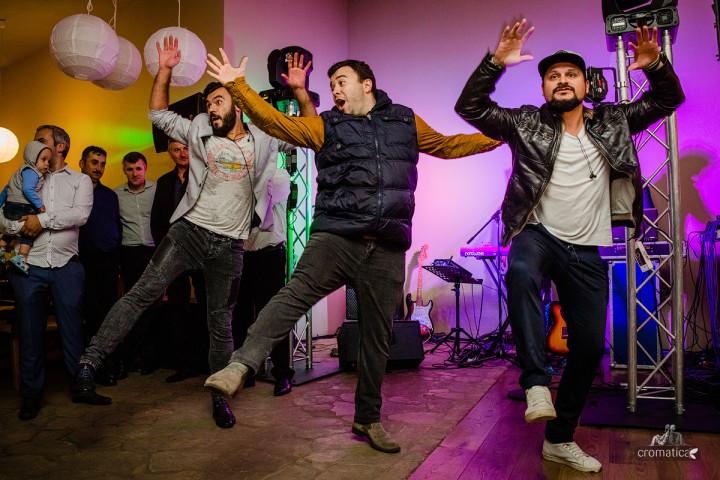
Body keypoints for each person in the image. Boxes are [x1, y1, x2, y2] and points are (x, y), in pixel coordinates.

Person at [203, 49, 500, 453]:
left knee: (378, 337)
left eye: (341, 82)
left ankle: (368, 418)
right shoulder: (328, 125)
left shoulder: (405, 121)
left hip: (388, 246)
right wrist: (237, 86)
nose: (335, 91)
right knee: (291, 297)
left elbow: (448, 145)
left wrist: (500, 138)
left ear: (367, 84)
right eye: (331, 86)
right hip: (337, 237)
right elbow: (276, 122)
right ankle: (240, 364)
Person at [453, 20, 684, 472]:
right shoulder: (525, 123)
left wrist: (655, 65)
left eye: (570, 74)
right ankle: (536, 383)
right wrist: (495, 62)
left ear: (584, 83)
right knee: (521, 271)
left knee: (589, 349)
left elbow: (667, 99)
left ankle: (559, 439)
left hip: (588, 248)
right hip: (537, 233)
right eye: (553, 76)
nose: (562, 80)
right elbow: (470, 106)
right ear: (544, 88)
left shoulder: (614, 121)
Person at [72, 36, 317, 429]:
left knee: (220, 323)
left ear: (239, 106)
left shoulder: (264, 138)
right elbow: (157, 113)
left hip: (230, 247)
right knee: (141, 295)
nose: (211, 109)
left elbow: (308, 130)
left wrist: (300, 90)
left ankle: (219, 397)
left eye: (219, 102)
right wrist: (164, 72)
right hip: (189, 233)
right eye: (209, 105)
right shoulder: (198, 132)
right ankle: (89, 363)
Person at [0, 125, 109, 421]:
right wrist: (19, 225)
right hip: (27, 266)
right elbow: (3, 216)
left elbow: (80, 214)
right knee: (30, 333)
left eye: (41, 140)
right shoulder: (24, 175)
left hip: (66, 266)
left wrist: (42, 220)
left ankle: (82, 387)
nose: (35, 145)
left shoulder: (80, 180)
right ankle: (31, 395)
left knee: (74, 332)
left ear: (59, 147)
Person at [232, 165, 294, 396]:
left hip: (270, 255)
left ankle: (282, 373)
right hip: (241, 254)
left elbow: (258, 196)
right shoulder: (239, 175)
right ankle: (245, 372)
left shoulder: (279, 175)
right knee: (240, 317)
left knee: (273, 317)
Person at [150, 139, 206, 383]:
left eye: (185, 148)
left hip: (202, 253)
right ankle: (186, 365)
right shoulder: (164, 182)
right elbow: (157, 220)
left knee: (208, 306)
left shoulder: (204, 176)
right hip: (174, 254)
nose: (182, 153)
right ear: (170, 153)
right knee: (177, 309)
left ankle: (209, 363)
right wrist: (164, 252)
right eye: (176, 150)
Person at [77, 146, 123, 385]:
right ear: (82, 163)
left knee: (108, 315)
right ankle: (91, 369)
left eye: (102, 164)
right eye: (94, 162)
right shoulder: (73, 191)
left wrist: (117, 259)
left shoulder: (110, 195)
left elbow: (117, 226)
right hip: (82, 262)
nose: (99, 168)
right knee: (88, 315)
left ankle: (108, 364)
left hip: (108, 263)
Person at [114, 152, 160, 375]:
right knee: (134, 307)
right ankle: (131, 356)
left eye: (138, 168)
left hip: (154, 252)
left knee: (154, 305)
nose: (134, 173)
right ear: (124, 170)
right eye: (130, 169)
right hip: (130, 253)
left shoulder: (157, 190)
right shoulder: (116, 195)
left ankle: (143, 356)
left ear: (145, 169)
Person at [0, 141, 51, 274]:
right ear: (33, 158)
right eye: (43, 160)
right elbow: (28, 190)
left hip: (10, 207)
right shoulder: (32, 172)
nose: (47, 164)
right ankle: (21, 258)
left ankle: (2, 247)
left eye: (48, 161)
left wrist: (0, 204)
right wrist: (39, 205)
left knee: (13, 229)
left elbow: (6, 189)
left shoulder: (19, 172)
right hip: (22, 206)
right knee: (29, 229)